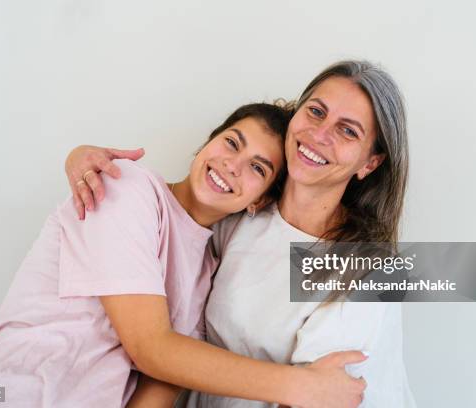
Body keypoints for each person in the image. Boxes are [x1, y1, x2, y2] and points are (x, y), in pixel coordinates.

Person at [0, 103, 368, 408]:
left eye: (258, 169)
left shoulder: (210, 268)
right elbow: (150, 347)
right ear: (207, 143)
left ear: (259, 201)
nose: (231, 166)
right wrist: (301, 387)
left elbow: (161, 382)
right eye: (230, 143)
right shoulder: (126, 187)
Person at [65, 60, 417, 407]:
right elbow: (169, 334)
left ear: (370, 163)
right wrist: (82, 158)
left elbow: (322, 396)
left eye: (348, 131)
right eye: (316, 111)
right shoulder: (241, 213)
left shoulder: (371, 273)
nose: (320, 134)